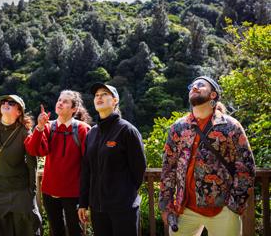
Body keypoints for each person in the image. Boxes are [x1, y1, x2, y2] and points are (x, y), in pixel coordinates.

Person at [158, 76, 256, 236]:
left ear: (213, 95)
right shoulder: (178, 127)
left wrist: (234, 205)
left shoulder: (231, 126)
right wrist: (165, 205)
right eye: (192, 85)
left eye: (201, 85)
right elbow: (169, 168)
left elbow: (246, 167)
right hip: (184, 209)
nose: (194, 87)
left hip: (223, 209)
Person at [78, 83, 147, 236]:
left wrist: (123, 195)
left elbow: (139, 168)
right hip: (98, 209)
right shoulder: (92, 133)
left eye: (104, 94)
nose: (99, 97)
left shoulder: (127, 130)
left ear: (115, 100)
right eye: (96, 95)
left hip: (123, 208)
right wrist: (83, 202)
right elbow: (86, 170)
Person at [24, 90, 91, 236]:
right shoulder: (49, 127)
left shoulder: (82, 129)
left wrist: (86, 196)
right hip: (50, 191)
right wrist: (40, 127)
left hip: (74, 192)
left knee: (75, 231)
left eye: (65, 101)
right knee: (56, 230)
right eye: (59, 100)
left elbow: (89, 163)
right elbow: (34, 150)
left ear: (74, 109)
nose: (60, 102)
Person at [0, 95, 41, 236]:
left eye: (11, 102)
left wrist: (31, 192)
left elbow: (32, 163)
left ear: (19, 111)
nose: (6, 104)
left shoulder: (25, 132)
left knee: (27, 230)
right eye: (3, 102)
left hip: (21, 191)